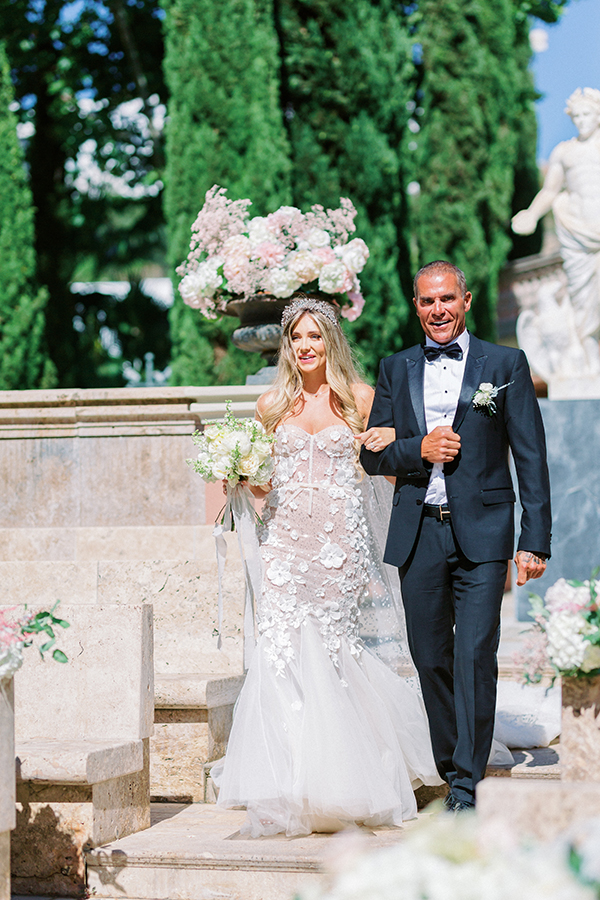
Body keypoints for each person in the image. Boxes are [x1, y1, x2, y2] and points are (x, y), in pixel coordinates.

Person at [212, 296, 442, 837]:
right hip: (286, 545)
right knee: (281, 651)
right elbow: (267, 481)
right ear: (288, 346)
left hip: (340, 544)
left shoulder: (361, 399)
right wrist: (240, 472)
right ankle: (288, 786)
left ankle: (351, 778)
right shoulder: (273, 404)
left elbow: (385, 466)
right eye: (297, 338)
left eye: (315, 336)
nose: (306, 346)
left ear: (330, 342)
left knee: (333, 650)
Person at [360, 261, 552, 811]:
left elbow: (530, 458)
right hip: (419, 532)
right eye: (426, 302)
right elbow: (372, 455)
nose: (437, 311)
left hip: (485, 534)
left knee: (474, 653)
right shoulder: (394, 368)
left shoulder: (506, 364)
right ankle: (450, 765)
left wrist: (534, 539)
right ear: (415, 305)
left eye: (447, 299)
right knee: (430, 657)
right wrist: (416, 449)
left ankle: (466, 784)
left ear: (465, 300)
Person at [512, 87, 600, 374]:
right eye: (577, 116)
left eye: (588, 114)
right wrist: (532, 215)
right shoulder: (565, 152)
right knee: (581, 298)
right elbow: (550, 190)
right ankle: (590, 361)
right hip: (578, 235)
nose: (583, 121)